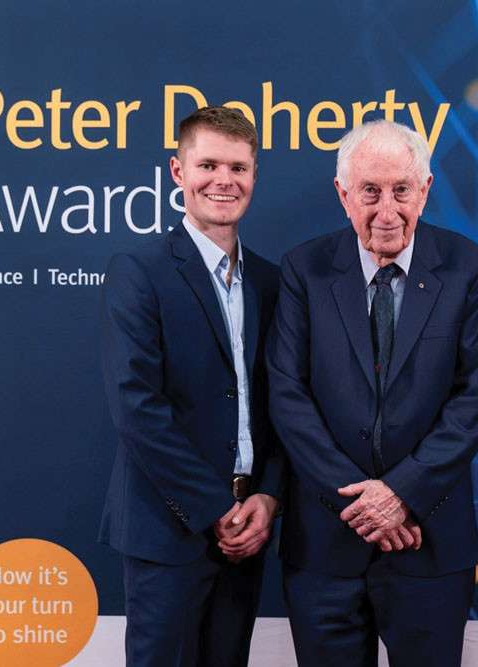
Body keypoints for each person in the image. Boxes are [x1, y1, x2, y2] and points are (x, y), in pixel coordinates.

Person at [266, 119, 478, 667]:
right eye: (370, 191)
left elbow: (475, 395)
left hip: (429, 538)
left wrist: (402, 493)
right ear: (343, 194)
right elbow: (288, 393)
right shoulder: (305, 269)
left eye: (402, 190)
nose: (388, 210)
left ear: (425, 189)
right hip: (327, 540)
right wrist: (364, 502)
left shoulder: (470, 268)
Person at [99, 106, 282, 667]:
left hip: (249, 527)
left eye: (238, 167)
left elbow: (284, 404)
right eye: (207, 165)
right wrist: (213, 509)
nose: (223, 181)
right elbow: (137, 410)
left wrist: (267, 499)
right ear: (177, 171)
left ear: (254, 175)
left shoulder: (272, 281)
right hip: (168, 528)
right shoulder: (139, 270)